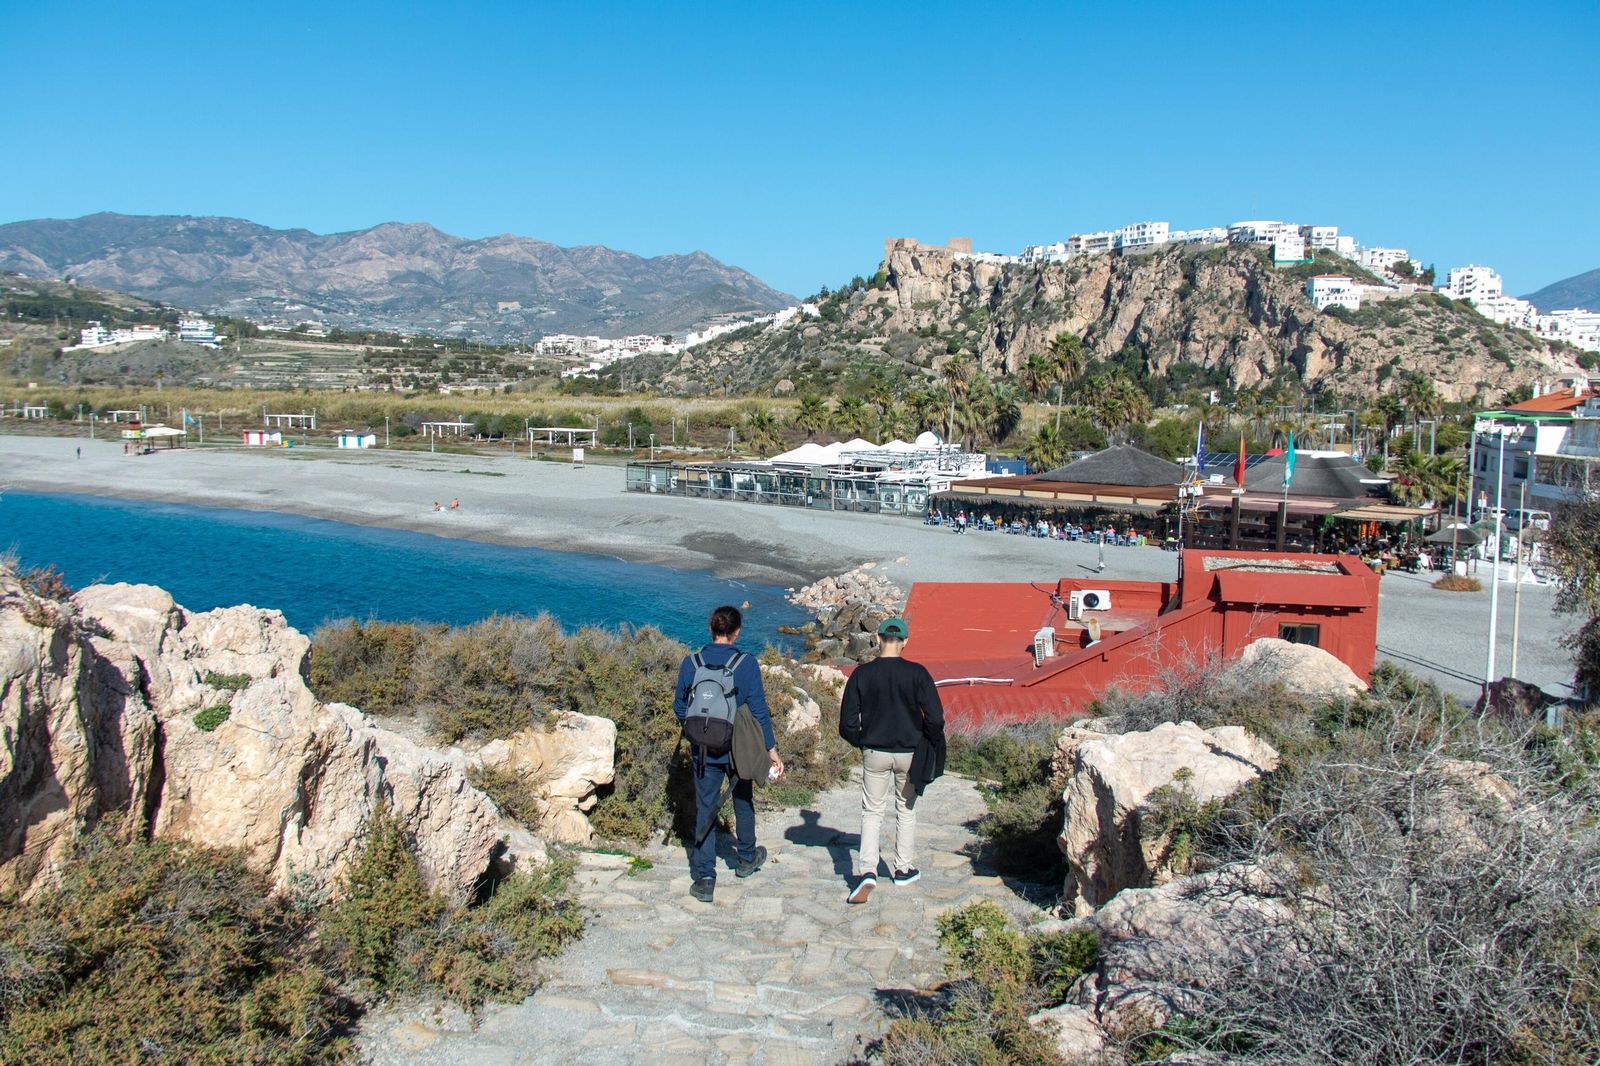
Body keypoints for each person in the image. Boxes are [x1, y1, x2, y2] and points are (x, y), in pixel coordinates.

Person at [673, 605, 782, 903]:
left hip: (704, 749)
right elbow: (759, 711)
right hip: (738, 746)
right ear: (736, 632)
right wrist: (770, 750)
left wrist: (696, 731)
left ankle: (705, 876)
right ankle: (746, 858)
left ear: (711, 629)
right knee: (743, 799)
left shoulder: (691, 662)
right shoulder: (746, 663)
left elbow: (680, 706)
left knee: (706, 805)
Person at [838, 616, 945, 905]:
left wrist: (862, 741)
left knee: (872, 811)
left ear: (878, 639)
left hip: (874, 750)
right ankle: (903, 868)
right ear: (905, 642)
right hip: (910, 752)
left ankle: (867, 871)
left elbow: (847, 722)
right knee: (905, 809)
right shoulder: (918, 673)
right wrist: (927, 740)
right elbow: (935, 718)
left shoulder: (862, 674)